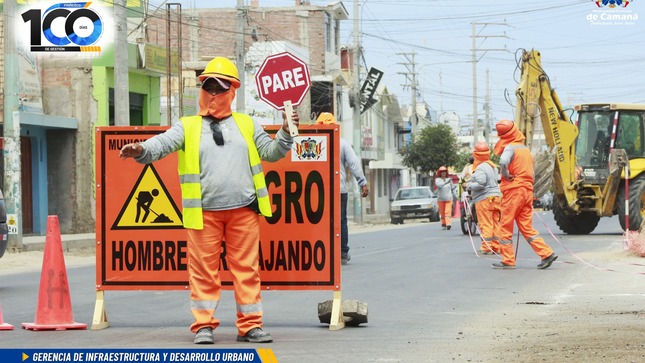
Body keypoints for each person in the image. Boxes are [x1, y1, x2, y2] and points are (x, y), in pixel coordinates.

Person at [119, 56, 299, 344]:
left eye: (220, 87)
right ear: (202, 89)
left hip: (244, 211)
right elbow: (161, 143)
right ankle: (203, 326)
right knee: (203, 273)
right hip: (204, 215)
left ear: (232, 91)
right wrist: (140, 148)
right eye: (209, 86)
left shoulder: (246, 124)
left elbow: (272, 152)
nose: (213, 92)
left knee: (246, 271)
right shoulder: (187, 126)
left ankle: (250, 326)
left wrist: (286, 134)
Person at [492, 119, 558, 269]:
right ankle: (546, 254)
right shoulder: (525, 150)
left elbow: (503, 162)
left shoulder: (510, 148)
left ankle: (508, 260)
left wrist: (506, 174)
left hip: (513, 191)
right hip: (527, 191)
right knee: (527, 227)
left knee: (505, 225)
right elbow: (532, 172)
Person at [315, 112, 368, 265]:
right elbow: (354, 164)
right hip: (338, 190)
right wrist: (362, 182)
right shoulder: (342, 143)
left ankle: (321, 251)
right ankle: (342, 252)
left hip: (317, 191)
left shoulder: (311, 142)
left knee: (319, 221)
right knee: (340, 221)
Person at [465, 142, 501, 255]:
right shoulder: (492, 166)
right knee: (495, 223)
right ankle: (496, 246)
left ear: (475, 155)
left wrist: (469, 186)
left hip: (484, 199)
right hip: (495, 197)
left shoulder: (481, 168)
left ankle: (487, 247)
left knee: (485, 223)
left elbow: (481, 183)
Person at [435, 166, 454, 230]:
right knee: (442, 212)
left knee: (447, 212)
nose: (443, 173)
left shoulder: (449, 179)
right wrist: (446, 182)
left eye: (444, 172)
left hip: (448, 198)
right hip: (440, 199)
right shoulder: (437, 180)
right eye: (442, 172)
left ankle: (448, 224)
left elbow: (453, 188)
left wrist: (456, 196)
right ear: (440, 173)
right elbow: (439, 186)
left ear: (446, 173)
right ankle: (443, 223)